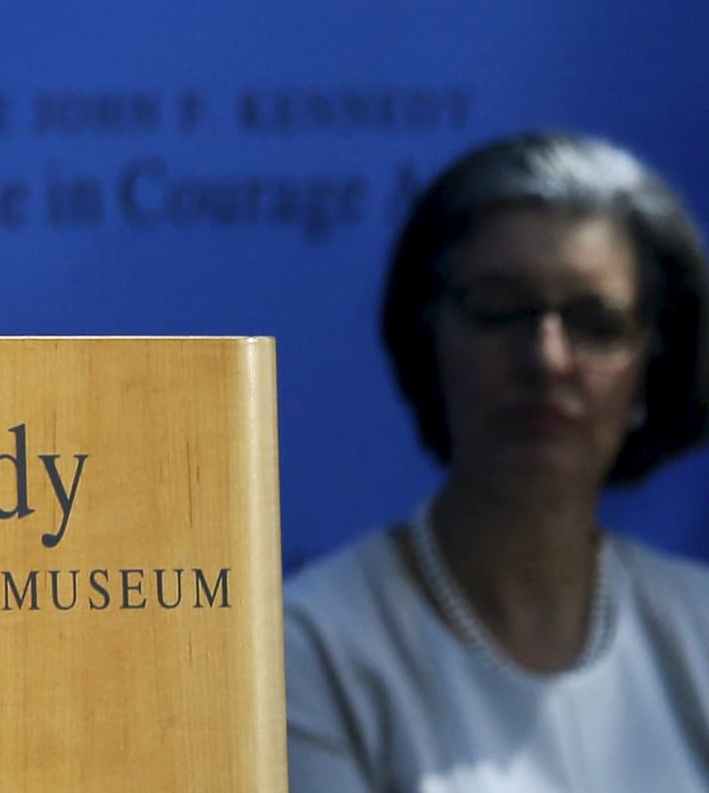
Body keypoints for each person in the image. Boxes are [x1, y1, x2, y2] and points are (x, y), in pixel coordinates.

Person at [287, 130, 709, 790]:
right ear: (428, 337)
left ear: (654, 363)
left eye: (595, 324)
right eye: (500, 311)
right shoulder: (307, 647)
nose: (547, 359)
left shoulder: (698, 627)